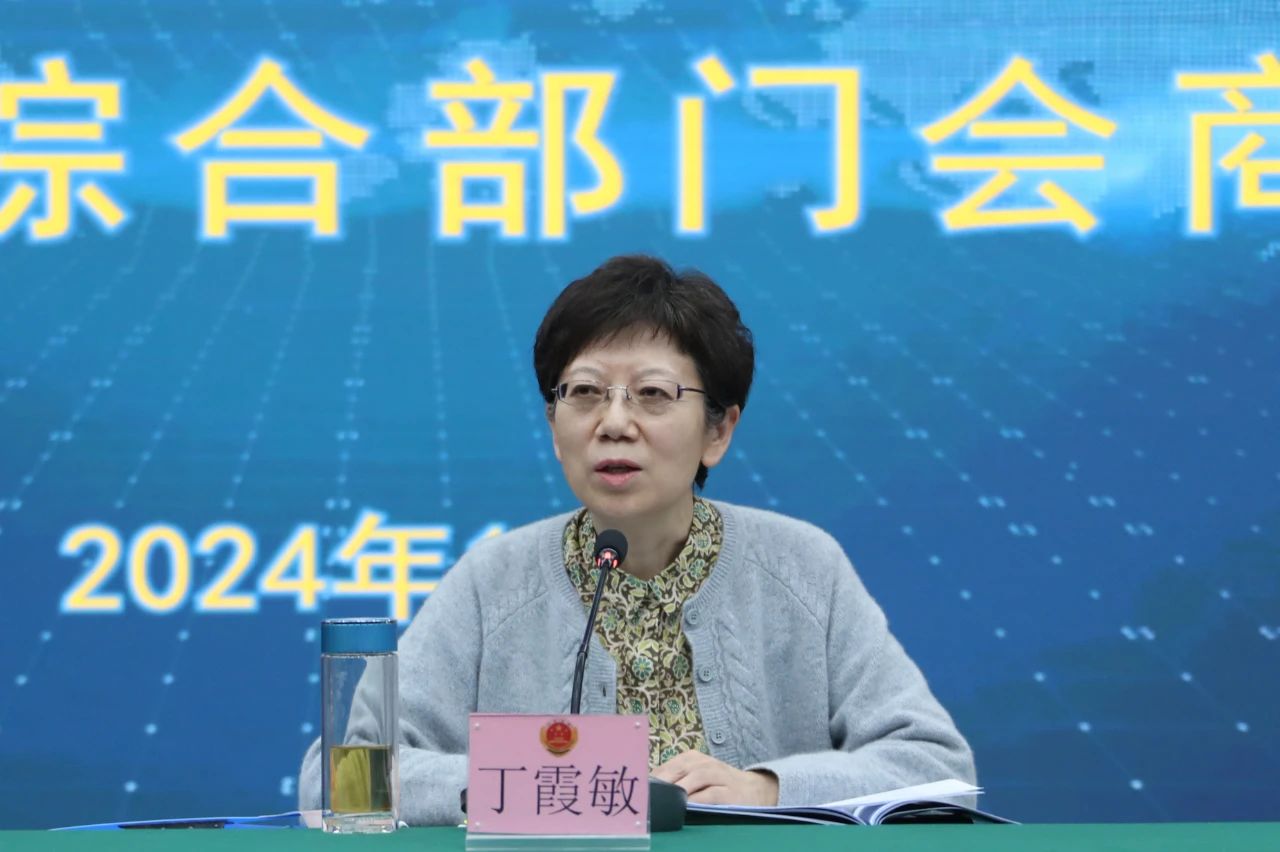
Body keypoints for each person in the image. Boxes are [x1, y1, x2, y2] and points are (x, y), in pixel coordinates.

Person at [300, 254, 974, 825]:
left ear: (718, 430)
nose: (614, 422)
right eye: (585, 392)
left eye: (652, 393)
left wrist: (767, 790)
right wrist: (518, 786)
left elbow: (937, 766)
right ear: (553, 424)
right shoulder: (493, 583)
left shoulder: (803, 568)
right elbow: (337, 777)